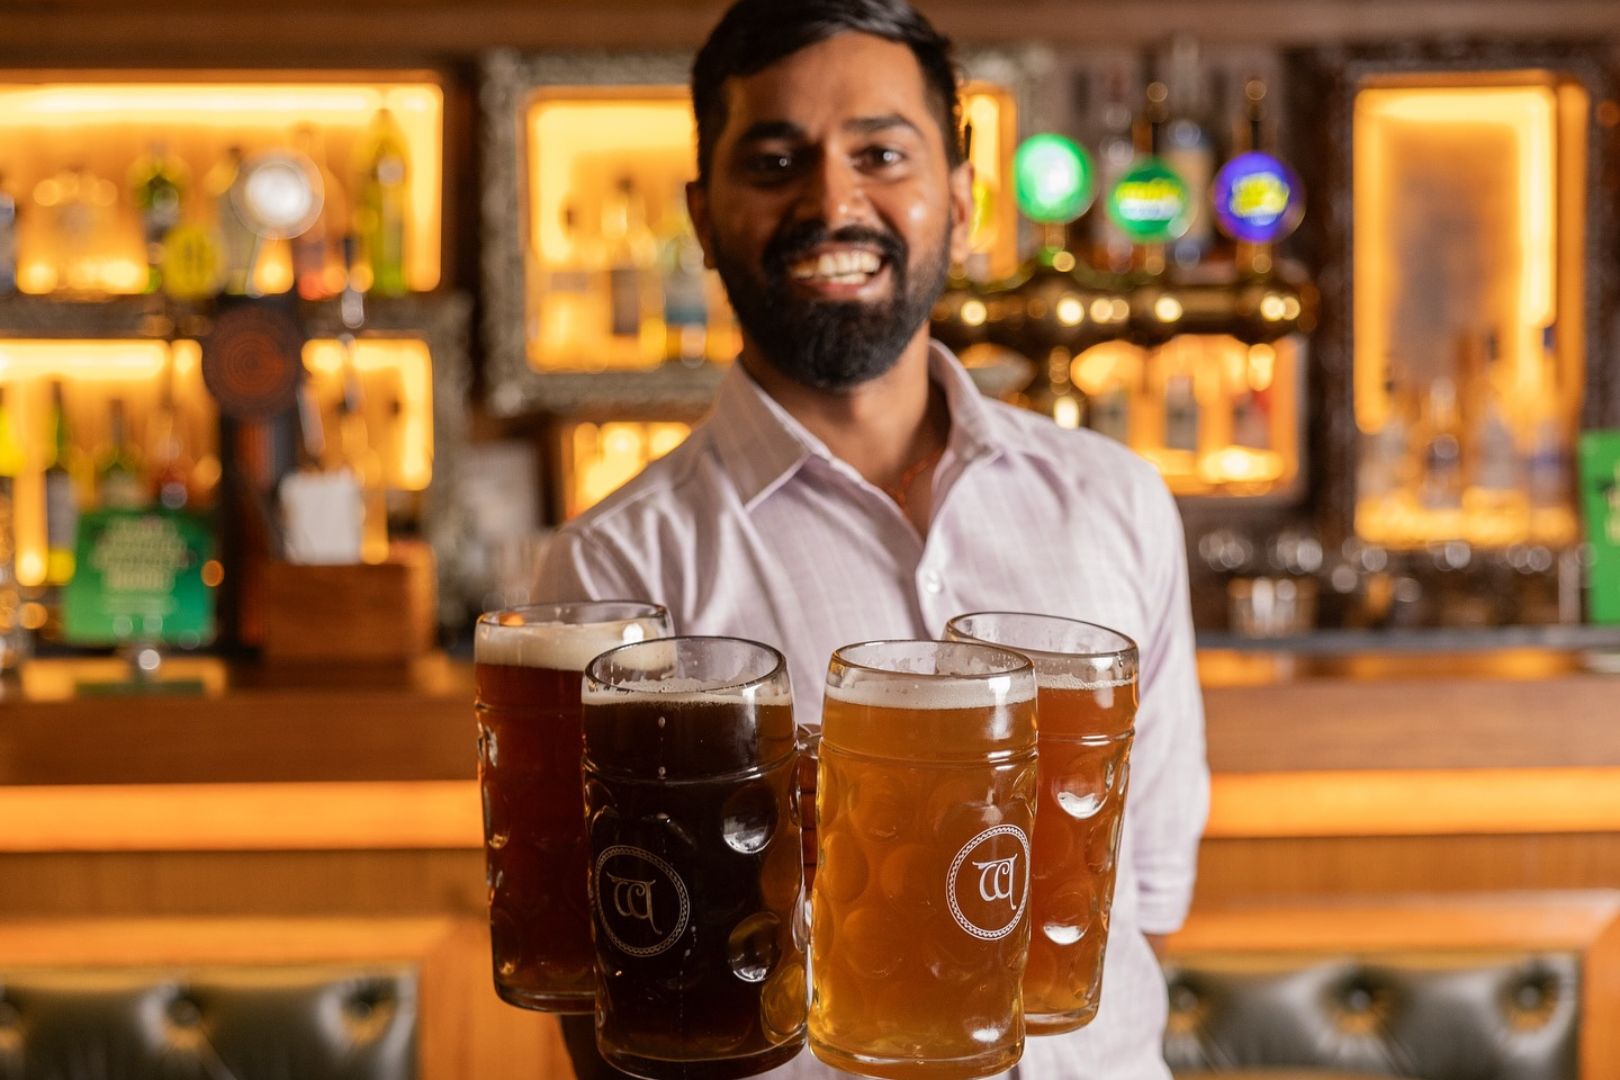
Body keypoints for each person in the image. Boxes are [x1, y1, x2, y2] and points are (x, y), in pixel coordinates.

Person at [537, 1, 1209, 1076]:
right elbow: (620, 1006)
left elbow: (1144, 893)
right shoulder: (619, 566)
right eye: (775, 160)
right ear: (704, 216)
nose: (833, 201)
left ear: (961, 197)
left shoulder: (1116, 499)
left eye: (882, 153)